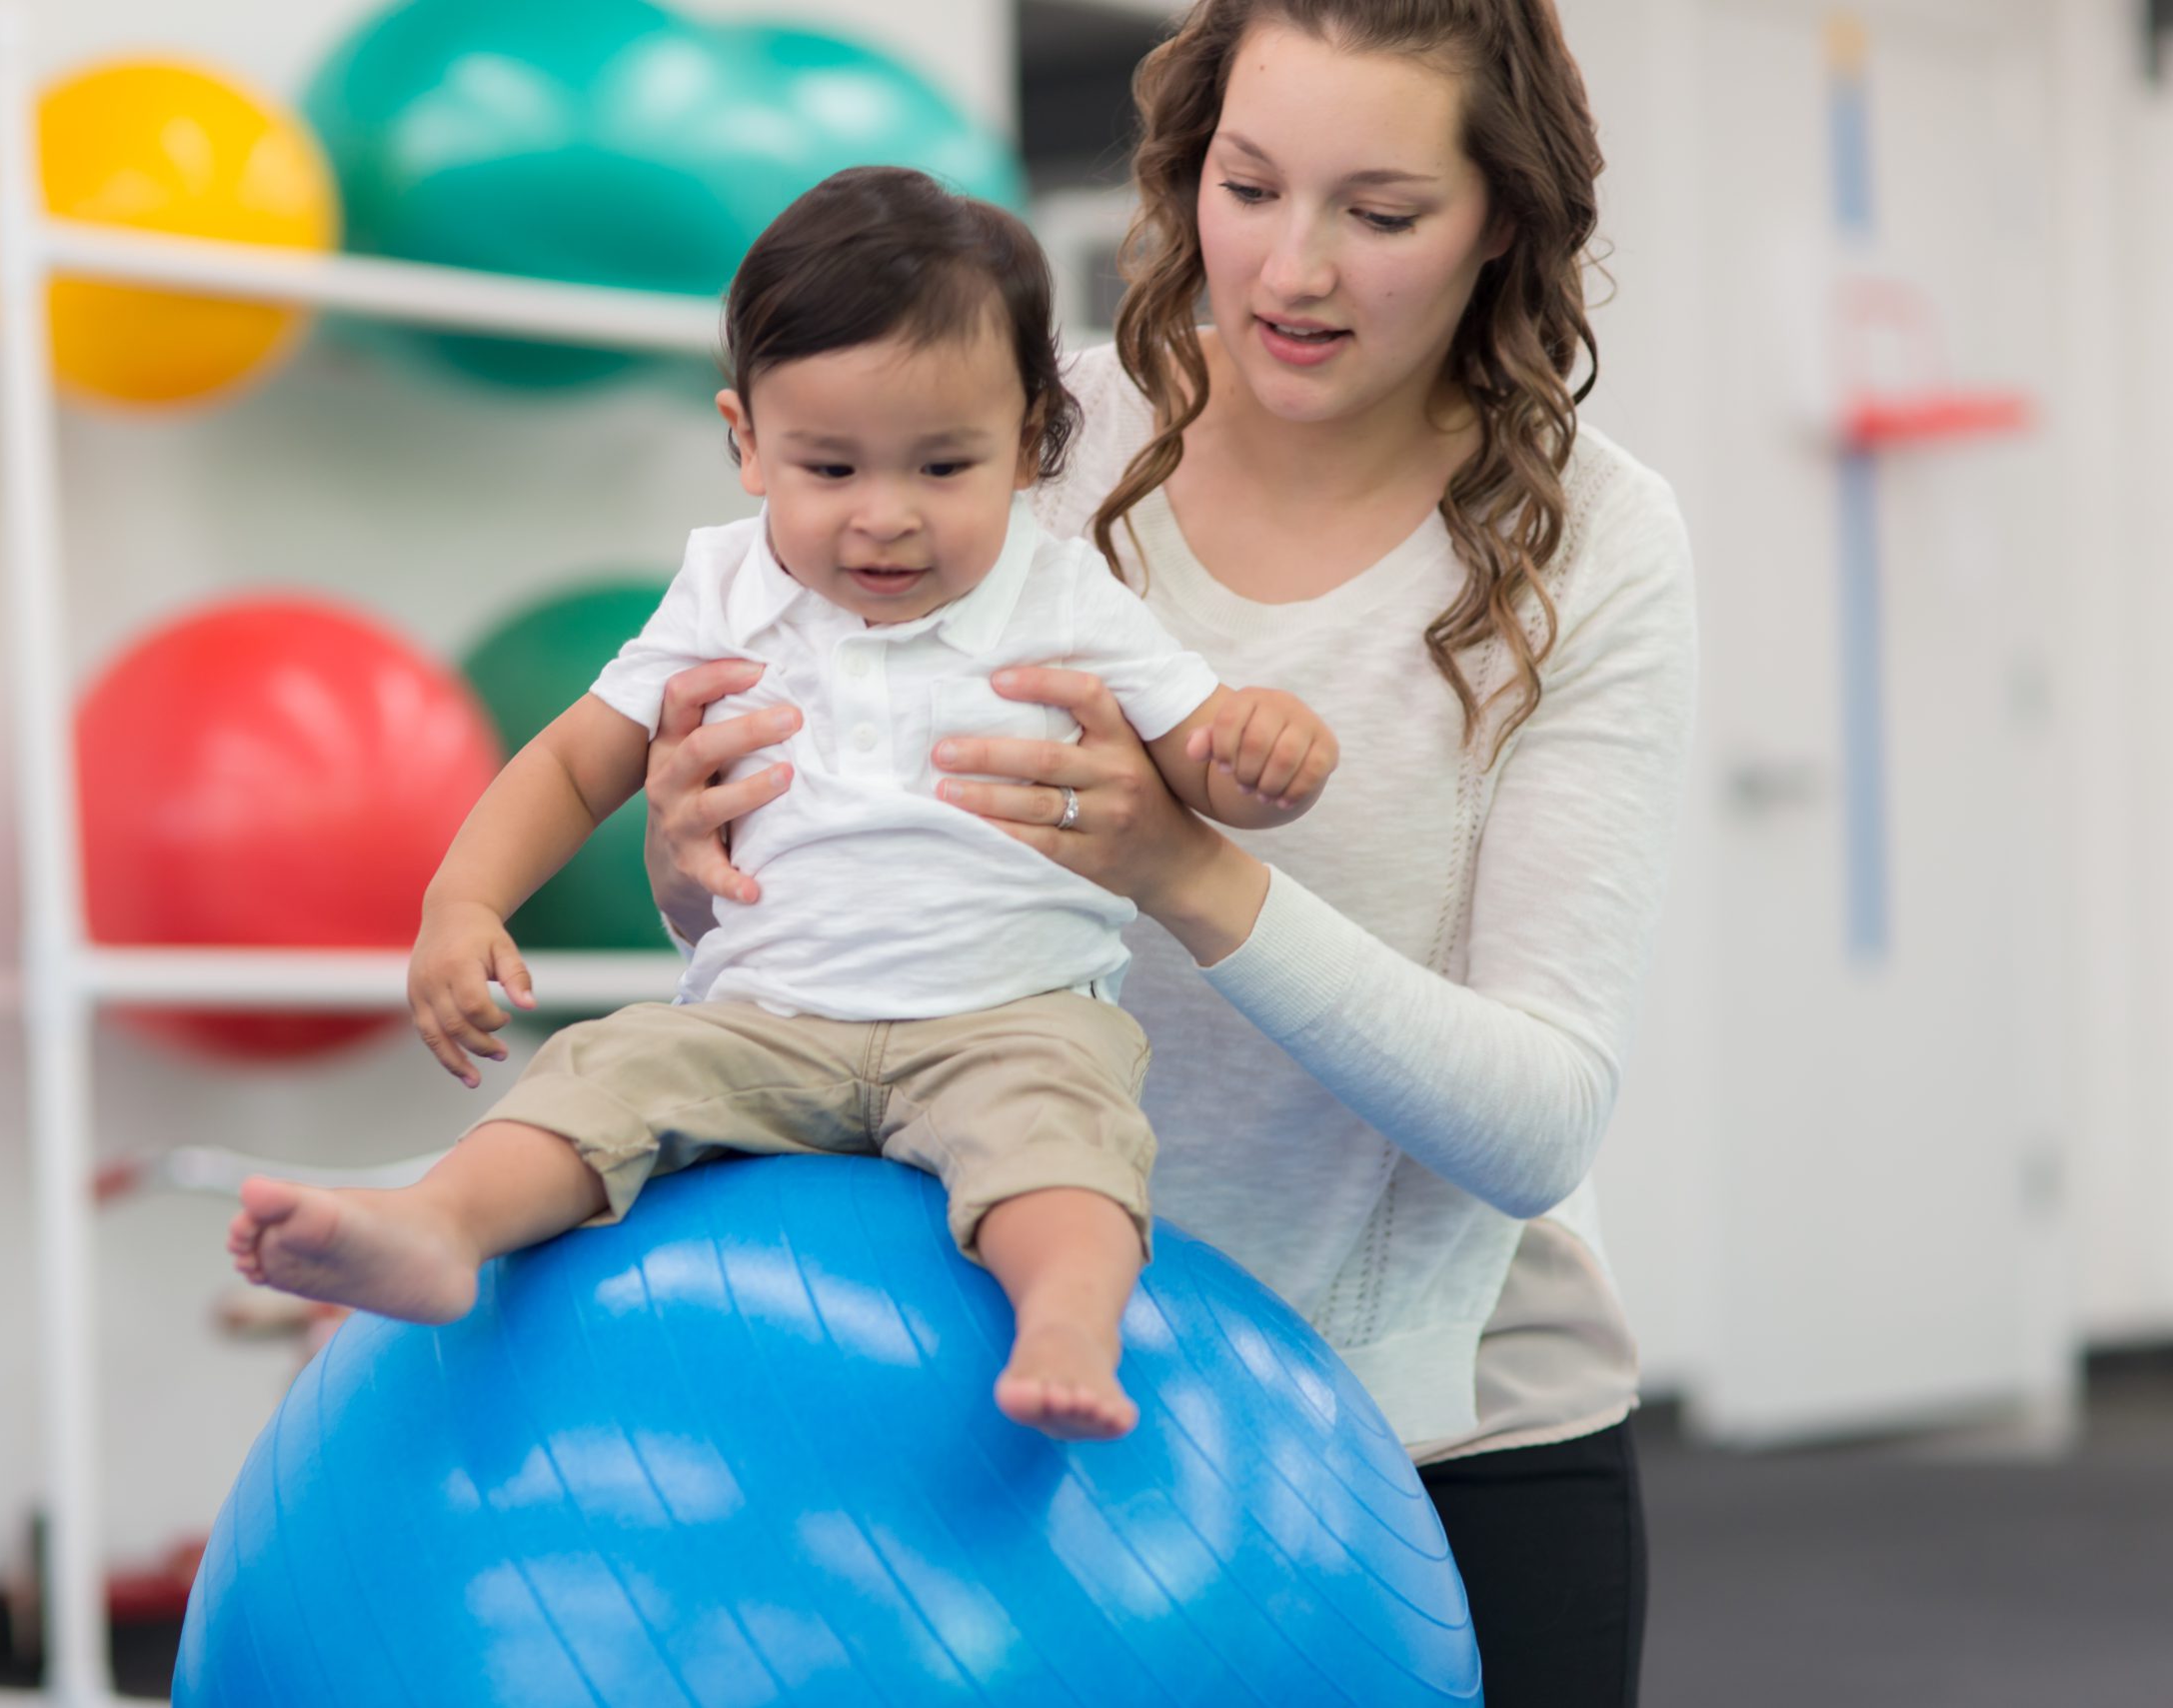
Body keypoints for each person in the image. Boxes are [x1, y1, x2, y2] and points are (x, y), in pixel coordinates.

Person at [638, 4, 1693, 1702]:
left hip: (1438, 1429)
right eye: (1248, 183)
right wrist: (693, 860)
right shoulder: (1015, 445)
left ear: (1503, 215)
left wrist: (1187, 868)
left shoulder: (1595, 535)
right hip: (1012, 1377)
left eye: (1382, 211)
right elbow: (786, 909)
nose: (1291, 268)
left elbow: (1538, 1116)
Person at [226, 166, 1335, 1442]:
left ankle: (1069, 1325)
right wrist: (462, 899)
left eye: (940, 464)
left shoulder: (1061, 594)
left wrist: (1257, 748)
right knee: (607, 1068)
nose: (884, 516)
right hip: (764, 1018)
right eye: (829, 464)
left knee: (1063, 1140)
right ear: (745, 441)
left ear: (1031, 439)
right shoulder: (722, 585)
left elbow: (1194, 754)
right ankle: (437, 1224)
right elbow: (577, 759)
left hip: (1007, 1018)